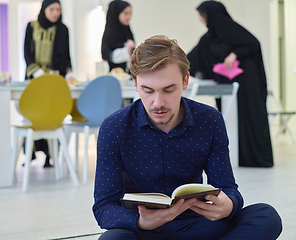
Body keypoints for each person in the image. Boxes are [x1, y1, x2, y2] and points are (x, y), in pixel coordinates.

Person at [93, 35, 282, 240]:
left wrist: (229, 206)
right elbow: (104, 207)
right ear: (135, 84)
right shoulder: (114, 127)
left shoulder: (210, 120)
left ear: (185, 81)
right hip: (146, 230)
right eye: (148, 90)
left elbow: (228, 188)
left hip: (199, 225)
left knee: (266, 216)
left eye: (169, 89)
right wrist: (140, 221)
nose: (158, 103)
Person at [187, 1, 273, 167]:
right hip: (226, 88)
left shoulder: (233, 31)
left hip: (247, 86)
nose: (200, 19)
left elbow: (253, 45)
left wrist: (235, 54)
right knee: (231, 120)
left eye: (202, 16)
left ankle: (256, 159)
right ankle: (237, 156)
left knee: (250, 117)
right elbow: (191, 59)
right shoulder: (208, 39)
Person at [23, 0, 74, 167]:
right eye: (52, 9)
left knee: (53, 116)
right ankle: (30, 153)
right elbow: (27, 53)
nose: (55, 13)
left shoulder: (62, 29)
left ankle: (50, 156)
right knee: (33, 116)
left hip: (54, 82)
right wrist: (38, 72)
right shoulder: (32, 27)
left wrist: (69, 73)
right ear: (44, 9)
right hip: (34, 80)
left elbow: (66, 56)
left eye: (58, 9)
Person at [101, 0, 135, 73]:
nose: (129, 17)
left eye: (130, 14)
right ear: (116, 13)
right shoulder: (109, 34)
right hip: (113, 76)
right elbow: (106, 56)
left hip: (129, 76)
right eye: (126, 13)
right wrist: (126, 50)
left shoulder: (127, 32)